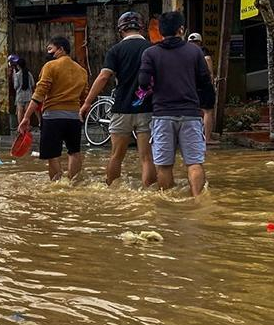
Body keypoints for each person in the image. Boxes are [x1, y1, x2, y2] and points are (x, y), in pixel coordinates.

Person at [138, 11, 214, 198]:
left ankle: (168, 204)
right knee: (194, 163)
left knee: (164, 165)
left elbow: (143, 82)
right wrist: (206, 105)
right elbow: (206, 82)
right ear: (181, 29)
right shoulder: (194, 51)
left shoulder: (150, 53)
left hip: (162, 114)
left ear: (161, 31)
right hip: (190, 114)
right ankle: (198, 202)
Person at [80, 12, 157, 188]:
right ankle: (150, 195)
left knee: (116, 156)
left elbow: (103, 77)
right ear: (141, 28)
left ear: (121, 30)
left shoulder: (115, 50)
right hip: (147, 108)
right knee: (147, 157)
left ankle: (112, 193)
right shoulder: (152, 49)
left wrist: (87, 102)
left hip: (122, 108)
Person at [17, 36, 88, 181]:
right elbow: (84, 98)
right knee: (74, 152)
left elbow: (38, 95)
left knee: (52, 155)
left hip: (52, 117)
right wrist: (80, 114)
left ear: (61, 49)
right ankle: (73, 185)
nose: (49, 53)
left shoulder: (50, 66)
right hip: (74, 118)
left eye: (50, 49)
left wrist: (26, 117)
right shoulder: (82, 71)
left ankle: (57, 185)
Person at [187, 32, 218, 144]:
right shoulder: (204, 54)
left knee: (194, 111)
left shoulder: (186, 53)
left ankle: (193, 138)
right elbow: (209, 73)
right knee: (208, 111)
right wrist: (212, 83)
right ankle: (207, 138)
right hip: (204, 86)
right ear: (200, 42)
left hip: (190, 86)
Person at [9, 54, 35, 128]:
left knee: (20, 111)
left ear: (18, 66)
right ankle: (27, 126)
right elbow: (33, 84)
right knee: (27, 112)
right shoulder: (29, 74)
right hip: (28, 95)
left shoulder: (17, 75)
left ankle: (20, 126)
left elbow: (16, 86)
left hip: (20, 96)